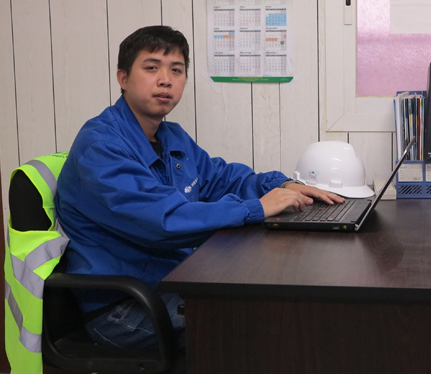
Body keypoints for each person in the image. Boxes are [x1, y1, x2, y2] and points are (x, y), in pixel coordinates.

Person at [55, 25, 342, 350]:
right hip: (125, 307)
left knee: (280, 296)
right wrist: (257, 208)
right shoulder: (101, 147)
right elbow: (163, 221)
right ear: (123, 78)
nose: (166, 80)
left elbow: (220, 178)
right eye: (151, 68)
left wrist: (283, 185)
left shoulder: (171, 136)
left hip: (172, 281)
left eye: (176, 70)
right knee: (263, 322)